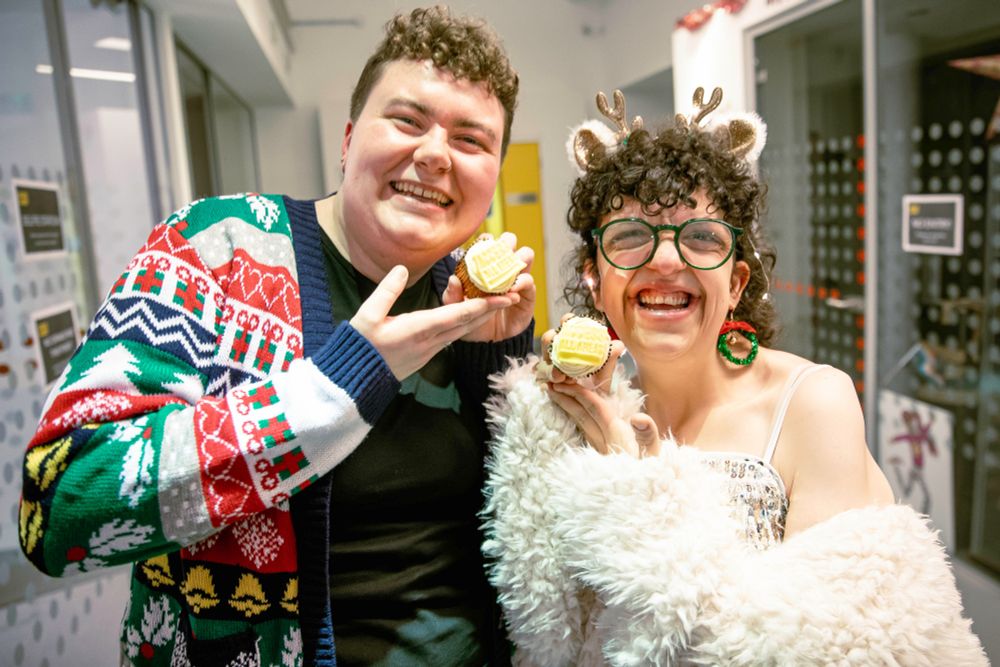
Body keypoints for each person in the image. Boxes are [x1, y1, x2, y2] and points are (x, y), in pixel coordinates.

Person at [19, 6, 533, 666]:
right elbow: (60, 503)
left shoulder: (471, 296)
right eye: (408, 121)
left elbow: (521, 535)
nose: (435, 154)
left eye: (470, 140)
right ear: (347, 140)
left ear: (492, 178)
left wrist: (500, 358)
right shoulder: (212, 248)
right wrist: (338, 385)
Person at [481, 88, 986, 665]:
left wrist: (635, 492)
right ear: (595, 281)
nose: (665, 261)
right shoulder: (572, 416)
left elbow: (826, 651)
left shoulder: (812, 404)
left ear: (737, 283)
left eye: (701, 237)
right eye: (629, 237)